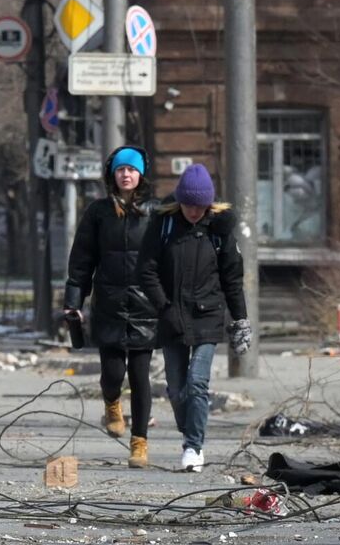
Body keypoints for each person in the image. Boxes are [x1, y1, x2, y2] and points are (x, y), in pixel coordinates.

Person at [136, 163, 249, 473]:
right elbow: (145, 269)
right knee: (176, 389)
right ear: (180, 201)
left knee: (197, 383)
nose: (195, 212)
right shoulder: (163, 224)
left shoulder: (220, 229)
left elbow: (232, 277)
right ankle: (190, 431)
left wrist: (240, 320)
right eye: (189, 205)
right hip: (172, 315)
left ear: (210, 204)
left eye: (201, 206)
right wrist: (163, 307)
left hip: (208, 316)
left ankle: (193, 447)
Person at [62, 146, 159, 469]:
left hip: (147, 306)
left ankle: (140, 443)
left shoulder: (156, 212)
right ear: (112, 175)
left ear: (141, 173)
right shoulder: (98, 212)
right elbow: (81, 261)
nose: (126, 174)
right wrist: (74, 301)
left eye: (131, 169)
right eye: (120, 170)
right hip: (109, 305)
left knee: (141, 376)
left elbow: (171, 258)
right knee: (113, 373)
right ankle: (112, 404)